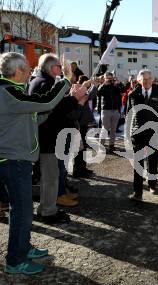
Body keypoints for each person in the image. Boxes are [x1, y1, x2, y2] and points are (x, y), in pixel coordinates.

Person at [0, 52, 85, 274]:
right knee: (22, 211)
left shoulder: (14, 91)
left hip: (20, 158)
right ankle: (15, 261)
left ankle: (23, 248)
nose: (31, 70)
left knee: (23, 209)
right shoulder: (8, 92)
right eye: (27, 68)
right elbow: (45, 101)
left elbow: (34, 115)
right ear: (17, 71)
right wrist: (66, 80)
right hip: (13, 160)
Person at [28, 53, 86, 218]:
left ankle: (47, 207)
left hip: (48, 135)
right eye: (60, 67)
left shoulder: (40, 81)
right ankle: (47, 211)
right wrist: (75, 98)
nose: (62, 70)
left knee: (50, 175)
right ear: (52, 67)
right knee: (50, 176)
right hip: (49, 137)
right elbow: (57, 110)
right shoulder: (45, 83)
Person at [127, 69, 158, 200]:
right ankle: (137, 192)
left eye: (149, 78)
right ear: (139, 80)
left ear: (152, 79)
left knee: (152, 161)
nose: (147, 81)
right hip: (137, 134)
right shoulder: (133, 95)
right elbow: (128, 114)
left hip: (154, 133)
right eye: (144, 79)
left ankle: (152, 184)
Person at [97, 72, 122, 154]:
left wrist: (118, 84)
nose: (109, 80)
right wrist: (104, 84)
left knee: (113, 130)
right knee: (105, 129)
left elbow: (121, 91)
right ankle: (101, 147)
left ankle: (112, 146)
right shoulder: (103, 86)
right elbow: (99, 93)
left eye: (110, 78)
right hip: (106, 110)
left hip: (115, 110)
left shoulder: (115, 86)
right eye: (107, 78)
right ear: (104, 78)